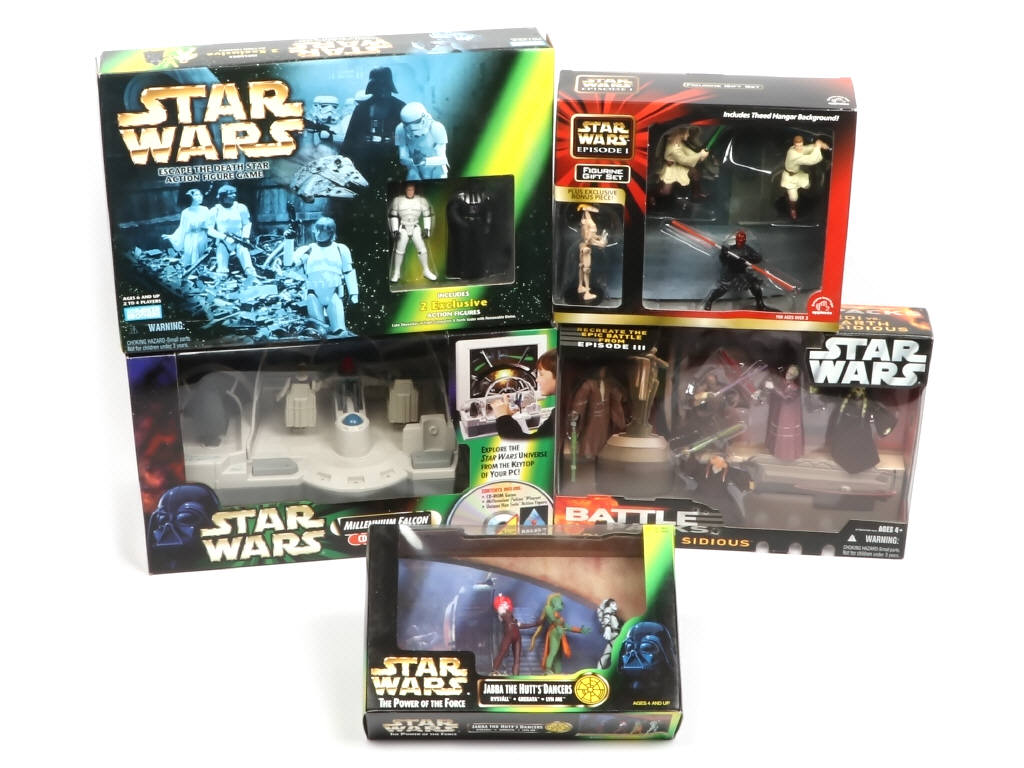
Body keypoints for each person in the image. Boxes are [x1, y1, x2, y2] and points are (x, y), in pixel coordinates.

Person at [283, 216, 358, 336]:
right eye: (316, 230)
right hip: (314, 295)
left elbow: (348, 271)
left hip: (334, 294)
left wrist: (354, 293)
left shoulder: (341, 249)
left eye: (322, 230)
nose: (317, 233)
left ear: (330, 232)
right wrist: (288, 241)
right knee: (319, 332)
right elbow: (289, 264)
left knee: (340, 331)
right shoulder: (308, 249)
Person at [493, 349, 557, 439]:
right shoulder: (566, 409)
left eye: (541, 374)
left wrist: (502, 416)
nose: (537, 380)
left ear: (560, 376)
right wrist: (507, 416)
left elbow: (530, 443)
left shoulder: (562, 416)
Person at [702, 230, 766, 311]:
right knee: (722, 289)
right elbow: (724, 262)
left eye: (742, 239)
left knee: (755, 286)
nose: (740, 240)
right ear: (736, 239)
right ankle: (710, 301)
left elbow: (758, 258)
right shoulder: (731, 249)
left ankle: (760, 303)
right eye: (738, 239)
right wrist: (723, 254)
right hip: (731, 273)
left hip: (743, 273)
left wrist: (747, 258)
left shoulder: (748, 249)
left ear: (745, 240)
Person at [388, 183, 436, 281]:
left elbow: (427, 214)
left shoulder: (421, 200)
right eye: (408, 190)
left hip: (415, 227)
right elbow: (393, 215)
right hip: (403, 227)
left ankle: (426, 270)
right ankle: (396, 272)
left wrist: (427, 229)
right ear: (405, 190)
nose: (410, 192)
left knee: (422, 250)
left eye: (412, 190)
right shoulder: (398, 200)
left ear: (414, 190)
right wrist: (395, 230)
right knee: (399, 251)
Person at [207, 185, 256, 278]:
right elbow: (209, 229)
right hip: (223, 243)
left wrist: (245, 237)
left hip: (239, 241)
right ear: (223, 196)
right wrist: (224, 237)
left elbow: (246, 223)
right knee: (222, 271)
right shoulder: (215, 210)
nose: (234, 195)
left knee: (249, 268)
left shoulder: (240, 208)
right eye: (230, 194)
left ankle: (253, 280)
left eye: (234, 193)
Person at [781, 134, 830, 220]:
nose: (799, 148)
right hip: (789, 178)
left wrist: (817, 144)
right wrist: (817, 147)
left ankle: (804, 195)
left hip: (797, 175)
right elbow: (811, 160)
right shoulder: (793, 154)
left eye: (801, 145)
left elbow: (805, 149)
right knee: (794, 198)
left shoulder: (794, 148)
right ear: (794, 145)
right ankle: (792, 209)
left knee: (807, 185)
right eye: (797, 146)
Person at [395, 102, 448, 180]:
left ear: (424, 120)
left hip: (436, 170)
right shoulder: (400, 129)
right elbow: (403, 158)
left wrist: (424, 161)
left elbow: (443, 159)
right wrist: (414, 162)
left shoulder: (437, 128)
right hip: (414, 170)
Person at [162, 189, 209, 270]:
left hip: (202, 237)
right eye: (196, 195)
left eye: (200, 195)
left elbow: (209, 225)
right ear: (190, 197)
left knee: (201, 260)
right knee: (189, 261)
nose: (200, 197)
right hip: (190, 238)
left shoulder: (205, 209)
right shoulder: (185, 212)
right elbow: (182, 228)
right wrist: (172, 236)